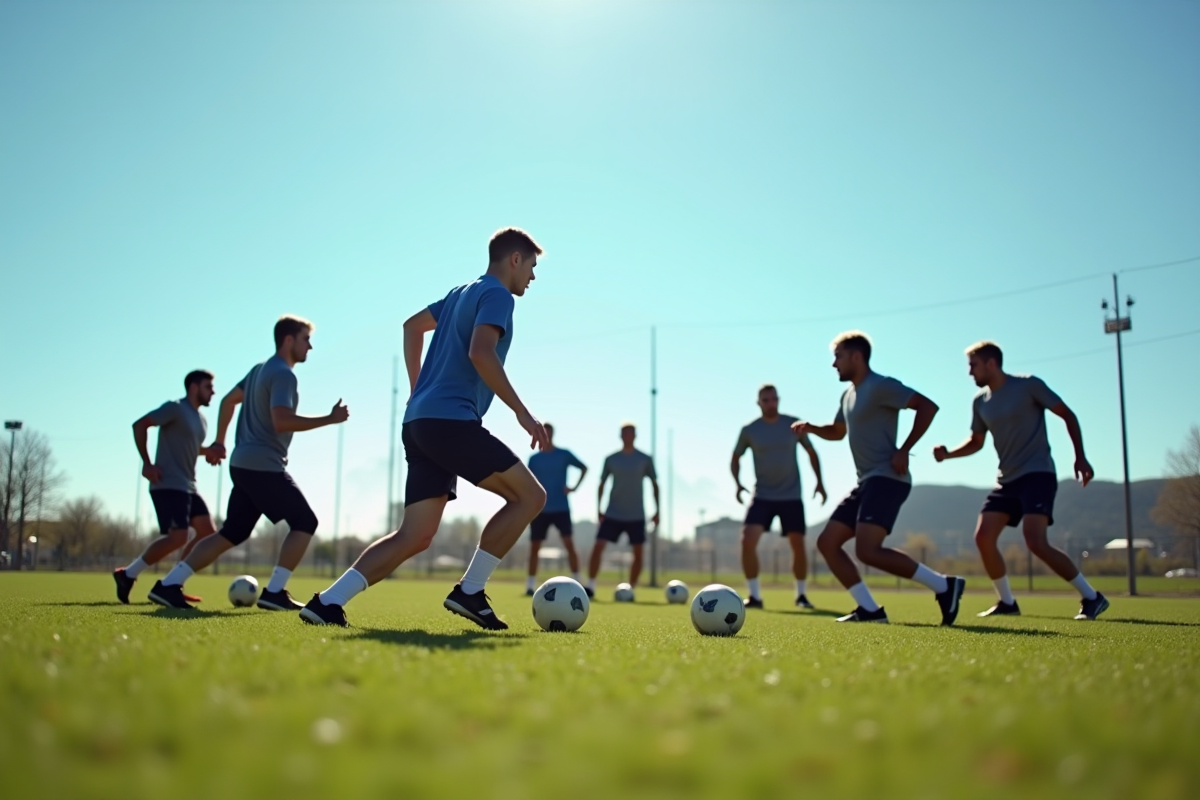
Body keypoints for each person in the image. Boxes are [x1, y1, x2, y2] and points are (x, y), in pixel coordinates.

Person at [301, 228, 549, 629]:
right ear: (515, 260)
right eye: (532, 267)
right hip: (450, 423)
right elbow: (481, 352)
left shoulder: (458, 294)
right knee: (530, 497)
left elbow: (411, 326)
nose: (532, 278)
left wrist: (419, 388)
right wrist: (522, 412)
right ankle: (470, 591)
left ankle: (327, 602)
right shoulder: (498, 295)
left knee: (414, 535)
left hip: (419, 423)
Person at [147, 316, 349, 610]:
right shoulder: (284, 374)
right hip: (263, 465)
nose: (310, 346)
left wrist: (219, 441)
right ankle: (275, 592)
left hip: (242, 464)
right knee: (305, 522)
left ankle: (168, 585)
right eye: (306, 339)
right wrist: (329, 419)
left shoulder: (258, 370)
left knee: (232, 532)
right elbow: (281, 421)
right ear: (289, 340)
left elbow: (229, 400)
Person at [795, 331, 965, 624]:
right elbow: (837, 432)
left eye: (838, 357)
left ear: (856, 356)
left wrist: (905, 448)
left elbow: (928, 406)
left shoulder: (881, 386)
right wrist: (811, 428)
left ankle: (944, 585)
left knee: (868, 550)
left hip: (888, 479)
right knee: (827, 543)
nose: (834, 364)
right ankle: (870, 610)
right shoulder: (848, 394)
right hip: (866, 482)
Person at [932, 341, 1108, 620]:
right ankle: (1007, 603)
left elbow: (1067, 415)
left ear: (991, 363)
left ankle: (1092, 597)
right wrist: (948, 454)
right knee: (983, 537)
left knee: (1036, 541)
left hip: (1037, 474)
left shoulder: (1029, 386)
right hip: (1006, 481)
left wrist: (1080, 457)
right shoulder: (980, 402)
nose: (969, 373)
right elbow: (977, 442)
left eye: (973, 365)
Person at [113, 370, 220, 604]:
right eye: (208, 387)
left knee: (208, 533)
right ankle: (128, 574)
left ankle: (173, 582)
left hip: (189, 486)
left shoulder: (200, 419)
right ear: (193, 387)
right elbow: (140, 425)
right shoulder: (175, 408)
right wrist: (147, 463)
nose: (212, 392)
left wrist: (207, 451)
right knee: (178, 537)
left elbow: (190, 446)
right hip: (169, 483)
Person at [732, 383, 827, 609]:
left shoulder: (793, 424)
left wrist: (820, 482)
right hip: (762, 495)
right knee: (747, 541)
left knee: (797, 545)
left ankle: (801, 595)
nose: (771, 403)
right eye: (766, 400)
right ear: (758, 403)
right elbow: (735, 457)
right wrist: (737, 484)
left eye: (774, 399)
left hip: (791, 496)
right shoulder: (750, 430)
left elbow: (811, 451)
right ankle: (755, 596)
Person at [585, 424, 658, 600]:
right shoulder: (611, 459)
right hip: (613, 513)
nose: (627, 436)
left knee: (639, 553)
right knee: (598, 546)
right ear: (620, 436)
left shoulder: (645, 459)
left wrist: (658, 511)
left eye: (630, 433)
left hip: (636, 515)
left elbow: (655, 484)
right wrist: (599, 509)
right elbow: (601, 484)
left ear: (635, 436)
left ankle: (630, 589)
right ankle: (590, 586)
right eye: (624, 433)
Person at [525, 423, 587, 594]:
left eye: (548, 433)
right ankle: (530, 585)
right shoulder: (534, 459)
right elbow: (527, 481)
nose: (546, 435)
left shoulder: (564, 455)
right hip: (540, 509)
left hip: (561, 508)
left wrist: (573, 487)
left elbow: (584, 468)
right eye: (542, 432)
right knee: (535, 546)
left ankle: (578, 581)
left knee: (569, 543)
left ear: (552, 434)